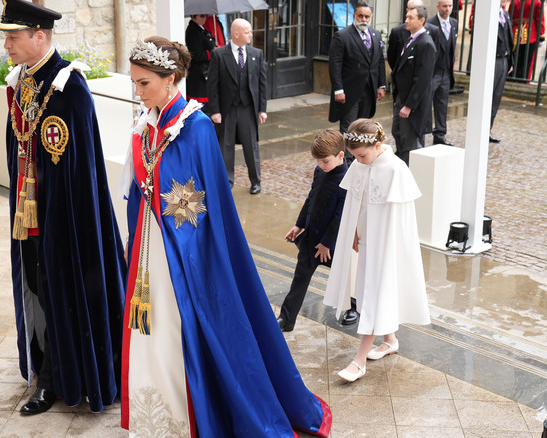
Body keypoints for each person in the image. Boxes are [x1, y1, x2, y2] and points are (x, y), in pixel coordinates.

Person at [120, 36, 332, 437]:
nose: (138, 91)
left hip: (184, 252)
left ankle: (195, 414)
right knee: (153, 328)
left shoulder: (195, 127)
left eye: (144, 83)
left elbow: (204, 205)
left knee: (183, 326)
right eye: (135, 82)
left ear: (170, 80)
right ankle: (158, 413)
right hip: (150, 247)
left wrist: (176, 234)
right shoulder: (145, 126)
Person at [0, 0, 127, 416]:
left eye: (13, 37)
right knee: (37, 290)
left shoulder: (68, 87)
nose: (6, 46)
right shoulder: (22, 82)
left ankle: (56, 380)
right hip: (29, 215)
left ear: (40, 36)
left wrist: (59, 220)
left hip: (65, 219)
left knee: (59, 293)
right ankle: (46, 368)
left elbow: (79, 169)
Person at [323, 119, 431, 383]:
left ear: (378, 145)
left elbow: (401, 220)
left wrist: (388, 246)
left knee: (373, 295)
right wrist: (354, 232)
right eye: (354, 157)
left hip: (386, 245)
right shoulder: (361, 165)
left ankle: (359, 360)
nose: (357, 161)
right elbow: (356, 203)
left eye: (361, 155)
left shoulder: (396, 169)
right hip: (367, 242)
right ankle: (390, 340)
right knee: (368, 292)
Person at [277, 130, 352, 332]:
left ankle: (355, 307)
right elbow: (311, 200)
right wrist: (298, 225)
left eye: (325, 161)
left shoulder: (347, 179)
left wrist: (327, 243)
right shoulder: (319, 172)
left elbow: (340, 216)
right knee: (300, 278)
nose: (320, 165)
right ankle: (286, 318)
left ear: (340, 156)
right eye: (317, 161)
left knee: (347, 277)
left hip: (332, 244)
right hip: (311, 239)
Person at [207, 18, 268, 194]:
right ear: (236, 34)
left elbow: (262, 84)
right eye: (247, 31)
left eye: (250, 31)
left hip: (247, 108)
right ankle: (227, 181)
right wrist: (215, 111)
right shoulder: (219, 54)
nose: (251, 34)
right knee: (225, 146)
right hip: (226, 110)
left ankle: (256, 181)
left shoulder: (257, 53)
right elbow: (212, 85)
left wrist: (262, 109)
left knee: (251, 146)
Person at [327, 1, 387, 166]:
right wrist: (338, 89)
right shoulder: (342, 36)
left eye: (367, 16)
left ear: (371, 17)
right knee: (349, 129)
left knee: (364, 128)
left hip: (368, 91)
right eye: (360, 16)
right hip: (349, 92)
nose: (363, 19)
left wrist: (381, 85)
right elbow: (335, 64)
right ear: (354, 16)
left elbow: (379, 62)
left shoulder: (375, 35)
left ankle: (362, 158)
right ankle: (347, 162)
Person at [390, 5, 436, 165]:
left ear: (422, 21)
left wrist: (409, 105)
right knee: (397, 134)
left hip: (412, 106)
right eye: (406, 17)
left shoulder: (426, 44)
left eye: (410, 18)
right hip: (401, 98)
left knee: (410, 143)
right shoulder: (411, 39)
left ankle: (409, 177)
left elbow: (422, 79)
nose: (406, 20)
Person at [428, 0, 458, 146]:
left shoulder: (454, 23)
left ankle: (440, 134)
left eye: (450, 6)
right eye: (444, 6)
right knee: (426, 103)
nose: (447, 9)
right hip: (433, 72)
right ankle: (422, 133)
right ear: (438, 6)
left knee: (442, 104)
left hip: (446, 71)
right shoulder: (430, 24)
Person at [491, 0, 515, 143]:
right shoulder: (490, 15)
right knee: (488, 95)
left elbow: (509, 39)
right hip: (493, 59)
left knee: (497, 96)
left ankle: (488, 128)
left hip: (504, 59)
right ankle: (482, 128)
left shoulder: (505, 14)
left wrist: (510, 60)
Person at [509, 0, 545, 82]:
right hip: (530, 35)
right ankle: (523, 81)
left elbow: (510, 17)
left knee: (515, 61)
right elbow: (540, 20)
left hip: (515, 34)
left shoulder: (514, 1)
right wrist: (541, 35)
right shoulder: (536, 2)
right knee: (527, 64)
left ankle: (513, 80)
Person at [185, 14, 215, 106]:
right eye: (202, 16)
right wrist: (213, 53)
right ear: (193, 16)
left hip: (205, 71)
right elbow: (197, 55)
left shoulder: (202, 29)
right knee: (201, 106)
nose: (205, 18)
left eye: (206, 15)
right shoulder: (193, 31)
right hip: (199, 74)